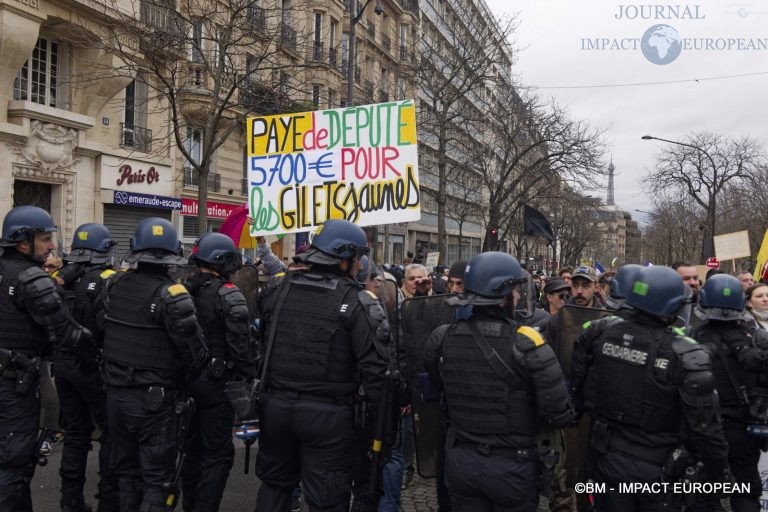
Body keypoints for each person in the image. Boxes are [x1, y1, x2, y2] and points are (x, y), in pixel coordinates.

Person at [254, 219, 389, 511]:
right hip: (328, 417)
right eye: (357, 258)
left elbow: (262, 346)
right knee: (324, 500)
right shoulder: (359, 301)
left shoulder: (278, 289)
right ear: (344, 259)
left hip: (275, 407)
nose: (358, 265)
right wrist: (379, 433)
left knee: (275, 487)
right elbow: (378, 374)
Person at [571, 265, 730, 511]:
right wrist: (718, 473)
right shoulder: (686, 352)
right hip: (657, 468)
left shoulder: (598, 331)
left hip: (606, 457)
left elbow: (577, 391)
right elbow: (705, 428)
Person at [423, 252, 573, 511]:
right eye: (514, 290)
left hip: (460, 462)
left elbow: (439, 384)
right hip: (511, 465)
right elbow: (558, 413)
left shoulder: (444, 337)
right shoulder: (528, 342)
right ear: (505, 293)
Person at [97, 217, 208, 512]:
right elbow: (195, 356)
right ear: (172, 256)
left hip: (116, 396)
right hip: (153, 405)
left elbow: (102, 331)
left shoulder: (113, 285)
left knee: (126, 477)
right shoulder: (173, 295)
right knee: (157, 482)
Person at [0, 205, 90, 511]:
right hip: (16, 387)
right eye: (45, 238)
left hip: (11, 376)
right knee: (14, 463)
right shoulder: (31, 278)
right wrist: (98, 353)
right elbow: (68, 333)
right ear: (23, 241)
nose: (51, 245)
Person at [182, 233, 256, 512]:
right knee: (217, 454)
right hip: (217, 385)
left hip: (188, 382)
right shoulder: (229, 292)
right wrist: (247, 378)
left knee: (192, 450)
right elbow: (241, 346)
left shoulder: (185, 289)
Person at [688, 274, 765, 511]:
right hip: (743, 430)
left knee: (704, 495)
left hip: (702, 429)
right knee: (745, 492)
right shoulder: (757, 339)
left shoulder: (690, 339)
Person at [56, 223, 118, 512]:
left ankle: (71, 502)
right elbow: (108, 328)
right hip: (93, 368)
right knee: (110, 435)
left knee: (75, 435)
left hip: (63, 366)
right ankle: (107, 500)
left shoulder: (62, 279)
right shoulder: (105, 279)